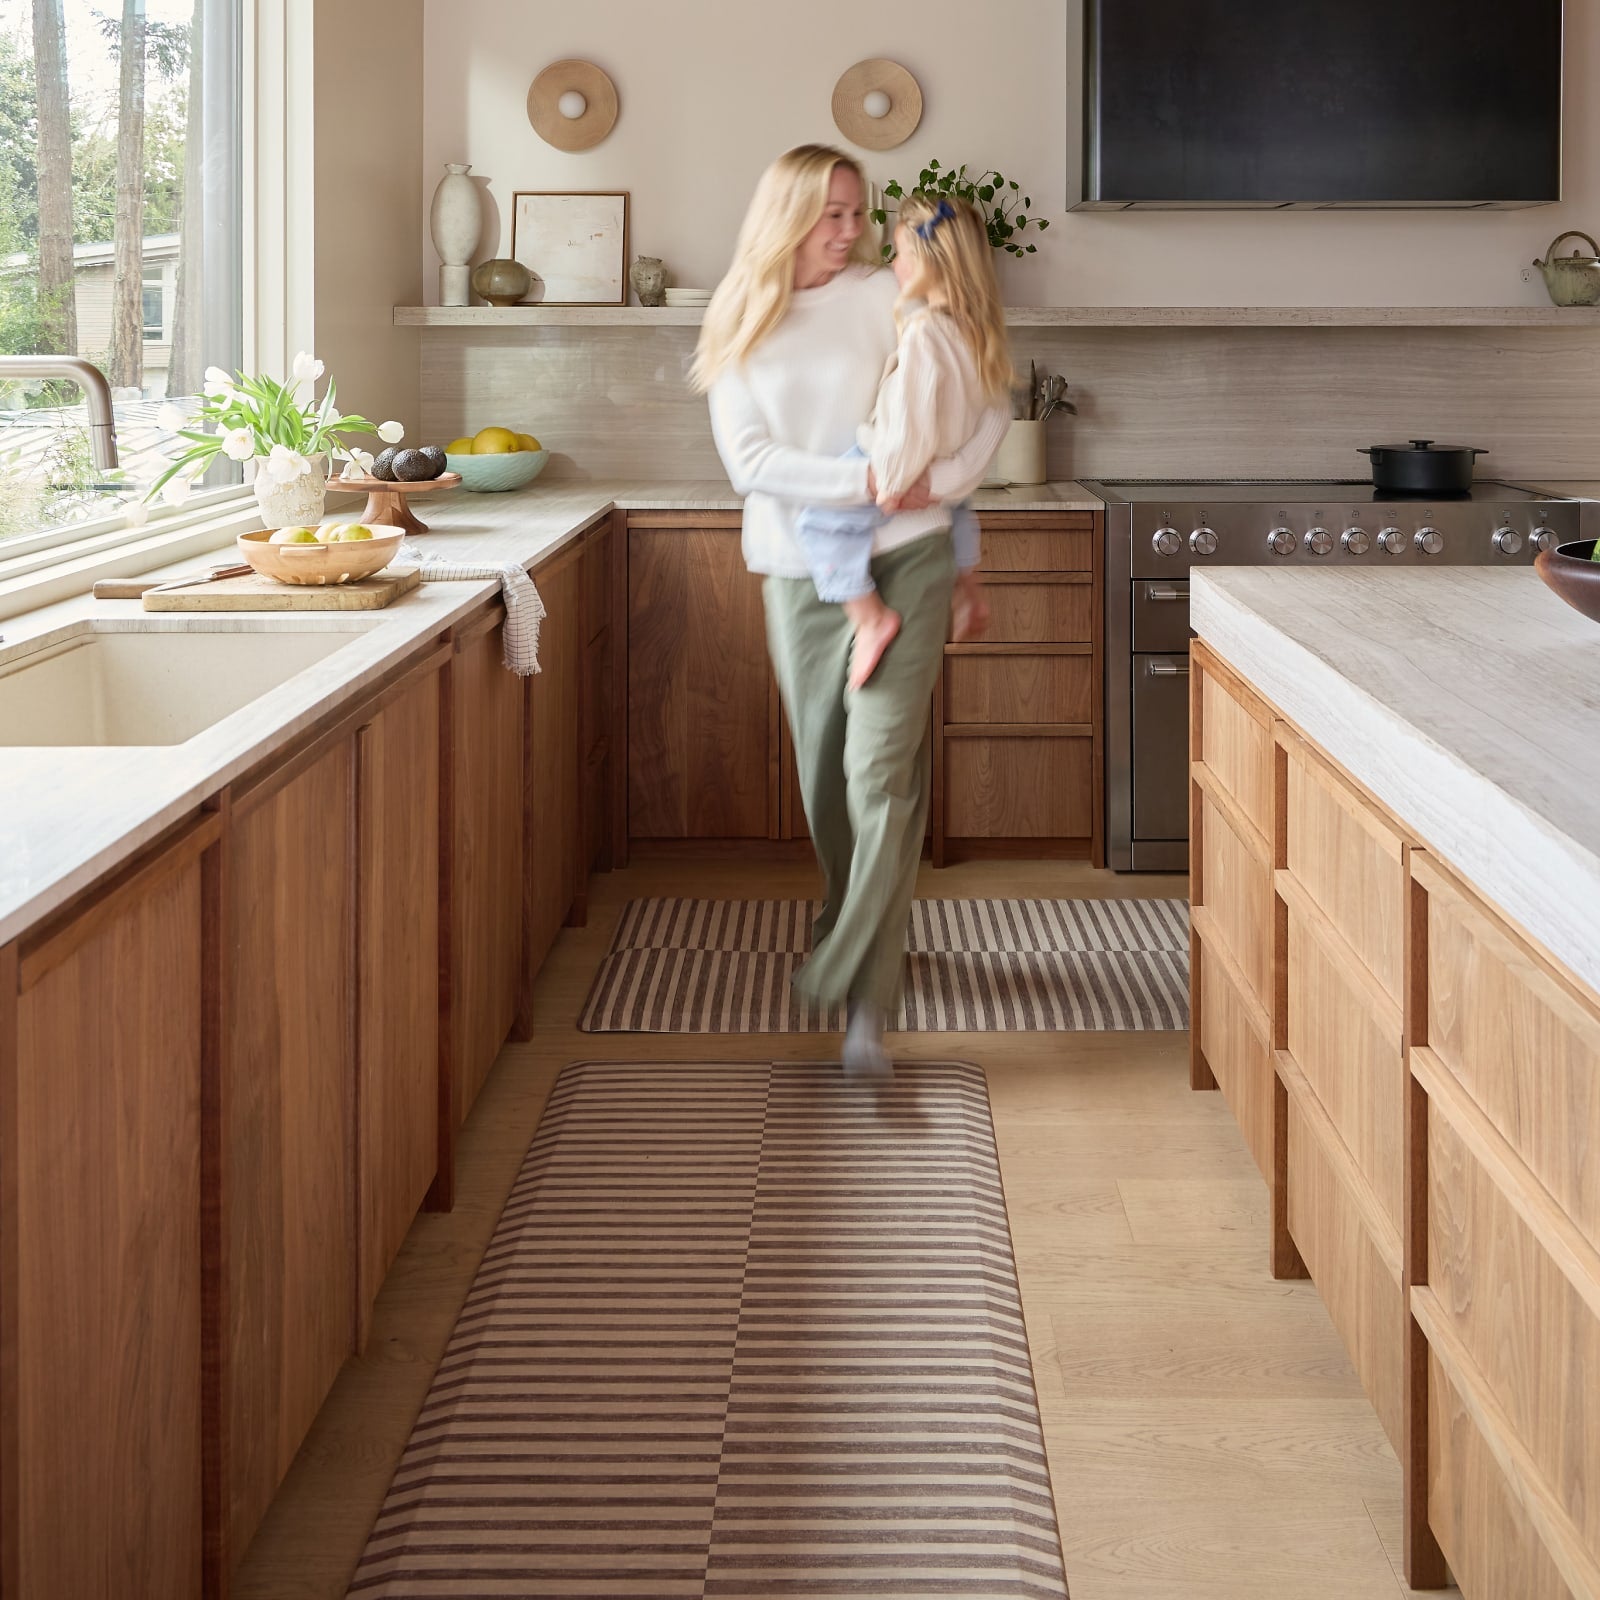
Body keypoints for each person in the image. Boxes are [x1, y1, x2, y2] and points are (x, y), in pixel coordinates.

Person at [691, 145, 1009, 1076]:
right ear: (786, 214)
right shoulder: (738, 316)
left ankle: (865, 989)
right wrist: (864, 480)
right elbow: (749, 463)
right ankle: (855, 920)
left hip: (903, 562)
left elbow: (984, 398)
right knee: (827, 781)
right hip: (800, 574)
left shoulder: (887, 294)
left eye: (857, 213)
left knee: (882, 774)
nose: (850, 232)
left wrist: (932, 498)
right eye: (831, 214)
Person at [793, 192, 1011, 689]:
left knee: (818, 521)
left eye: (899, 254)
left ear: (924, 263)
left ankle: (869, 618)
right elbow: (997, 416)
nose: (893, 264)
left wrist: (891, 483)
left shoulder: (925, 335)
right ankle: (969, 588)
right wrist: (944, 480)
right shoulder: (975, 333)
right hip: (944, 468)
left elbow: (909, 422)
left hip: (890, 460)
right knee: (958, 509)